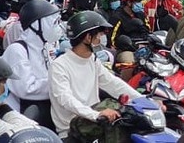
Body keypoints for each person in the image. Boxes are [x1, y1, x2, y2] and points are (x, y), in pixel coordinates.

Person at [48, 11, 143, 140]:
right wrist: (95, 114)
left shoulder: (92, 60)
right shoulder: (59, 65)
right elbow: (65, 99)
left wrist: (144, 101)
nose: (102, 39)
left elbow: (113, 83)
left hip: (97, 122)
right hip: (72, 131)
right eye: (99, 34)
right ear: (88, 37)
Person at [1, 0, 62, 130]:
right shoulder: (17, 50)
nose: (58, 27)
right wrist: (58, 83)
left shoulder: (45, 47)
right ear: (37, 25)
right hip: (25, 113)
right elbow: (26, 89)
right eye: (54, 23)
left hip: (47, 106)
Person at [0, 53, 37, 141]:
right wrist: (3, 107)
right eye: (3, 83)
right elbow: (27, 132)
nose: (5, 87)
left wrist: (0, 106)